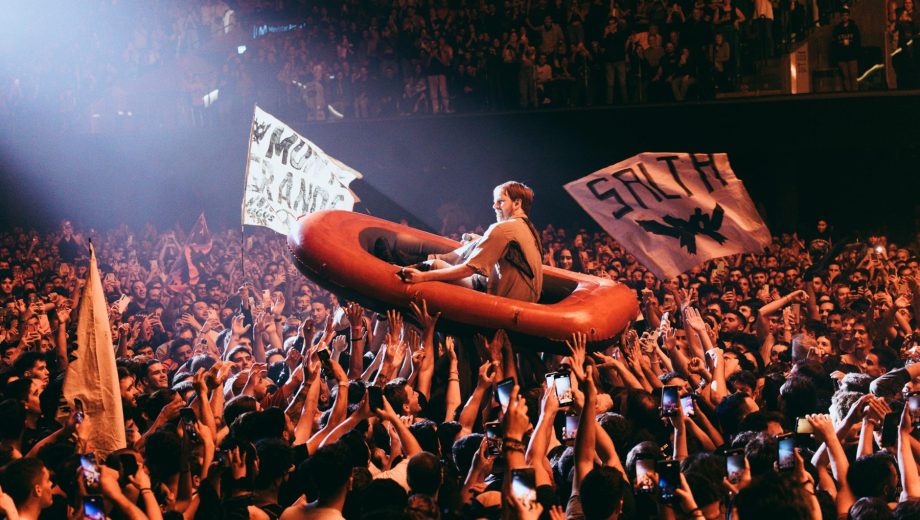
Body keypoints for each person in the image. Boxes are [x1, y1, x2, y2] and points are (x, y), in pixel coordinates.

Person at [399, 181, 544, 303]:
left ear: (517, 203)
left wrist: (422, 277)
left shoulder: (503, 229)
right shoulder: (531, 232)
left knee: (435, 265)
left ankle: (400, 265)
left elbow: (468, 270)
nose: (494, 207)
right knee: (476, 242)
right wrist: (480, 240)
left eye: (500, 201)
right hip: (520, 300)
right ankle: (415, 259)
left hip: (498, 303)